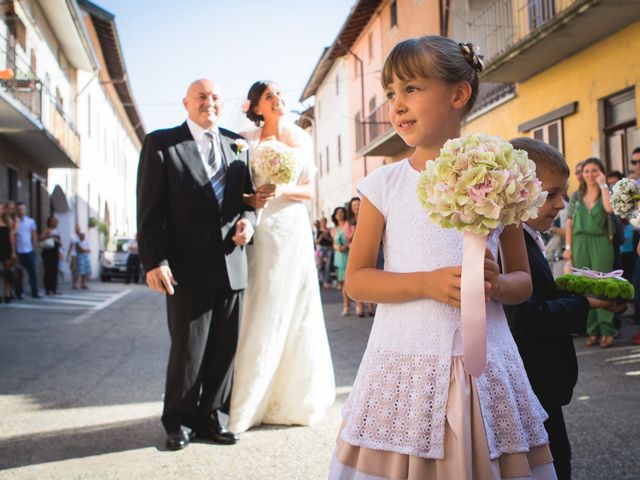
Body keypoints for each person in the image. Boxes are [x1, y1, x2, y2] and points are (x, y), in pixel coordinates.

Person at [329, 37, 556, 480]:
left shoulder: (501, 174)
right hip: (405, 362)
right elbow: (356, 280)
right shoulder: (384, 186)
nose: (396, 106)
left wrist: (496, 283)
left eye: (411, 89)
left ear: (458, 94)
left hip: (485, 364)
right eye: (390, 93)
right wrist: (425, 283)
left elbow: (522, 282)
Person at [137, 79, 255, 451]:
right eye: (202, 97)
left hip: (231, 265)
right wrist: (155, 260)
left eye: (216, 97)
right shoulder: (162, 144)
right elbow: (149, 210)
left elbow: (248, 201)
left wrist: (249, 223)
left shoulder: (238, 143)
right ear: (185, 103)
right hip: (185, 268)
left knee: (223, 349)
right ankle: (179, 421)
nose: (210, 102)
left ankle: (210, 417)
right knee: (188, 350)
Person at [505, 137, 623, 480]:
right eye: (552, 194)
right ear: (520, 190)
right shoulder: (509, 245)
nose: (561, 204)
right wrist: (586, 303)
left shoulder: (526, 236)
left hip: (541, 387)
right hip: (530, 387)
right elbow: (525, 318)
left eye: (563, 194)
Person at [228, 80, 335, 433]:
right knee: (263, 301)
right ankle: (249, 398)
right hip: (262, 228)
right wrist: (251, 200)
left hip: (293, 228)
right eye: (268, 96)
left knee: (298, 306)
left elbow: (309, 190)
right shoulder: (244, 139)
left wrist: (284, 189)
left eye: (278, 95)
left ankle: (295, 396)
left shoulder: (300, 138)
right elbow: (236, 189)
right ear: (256, 106)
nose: (277, 100)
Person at [564, 158, 616, 348]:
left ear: (601, 172)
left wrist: (603, 185)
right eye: (587, 171)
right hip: (580, 242)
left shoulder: (607, 193)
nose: (590, 174)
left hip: (601, 241)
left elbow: (609, 209)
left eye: (595, 170)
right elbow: (569, 223)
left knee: (603, 284)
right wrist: (568, 249)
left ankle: (607, 330)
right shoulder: (577, 196)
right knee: (585, 286)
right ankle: (591, 330)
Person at [347, 196, 374, 317]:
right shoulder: (350, 221)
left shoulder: (369, 215)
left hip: (371, 248)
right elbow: (348, 237)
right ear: (351, 208)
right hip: (354, 249)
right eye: (354, 205)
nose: (357, 207)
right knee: (358, 277)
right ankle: (359, 306)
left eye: (358, 204)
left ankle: (370, 306)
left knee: (371, 276)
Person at [15, 202, 39, 299]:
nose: (21, 211)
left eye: (22, 209)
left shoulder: (30, 221)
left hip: (29, 250)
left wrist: (34, 248)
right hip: (18, 251)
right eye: (19, 209)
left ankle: (34, 292)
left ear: (25, 210)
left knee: (32, 272)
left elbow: (34, 235)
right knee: (18, 273)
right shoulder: (15, 222)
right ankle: (19, 293)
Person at [332, 206, 351, 315]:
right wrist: (337, 248)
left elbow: (352, 239)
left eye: (341, 212)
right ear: (334, 216)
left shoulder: (347, 225)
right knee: (343, 282)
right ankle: (346, 305)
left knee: (347, 282)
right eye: (337, 212)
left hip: (347, 254)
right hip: (339, 256)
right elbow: (333, 243)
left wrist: (346, 246)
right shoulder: (334, 229)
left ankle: (348, 306)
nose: (339, 214)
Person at [39, 215, 62, 295]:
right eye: (54, 221)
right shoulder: (47, 230)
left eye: (56, 221)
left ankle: (54, 288)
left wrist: (59, 247)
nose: (56, 223)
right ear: (50, 222)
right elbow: (40, 237)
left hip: (55, 251)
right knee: (48, 271)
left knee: (54, 270)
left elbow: (60, 243)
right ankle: (48, 289)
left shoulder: (57, 231)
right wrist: (49, 235)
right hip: (48, 252)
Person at [0, 203, 16, 303]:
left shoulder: (7, 221)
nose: (0, 210)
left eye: (1, 208)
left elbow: (11, 238)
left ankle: (7, 293)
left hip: (6, 248)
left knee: (7, 272)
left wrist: (13, 251)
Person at [315, 217, 333, 288]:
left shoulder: (329, 230)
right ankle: (319, 280)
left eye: (324, 221)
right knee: (320, 265)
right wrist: (322, 237)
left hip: (328, 248)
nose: (323, 223)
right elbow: (316, 242)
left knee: (327, 266)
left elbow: (332, 240)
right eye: (322, 221)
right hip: (321, 249)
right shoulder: (318, 231)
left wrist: (327, 237)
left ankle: (326, 281)